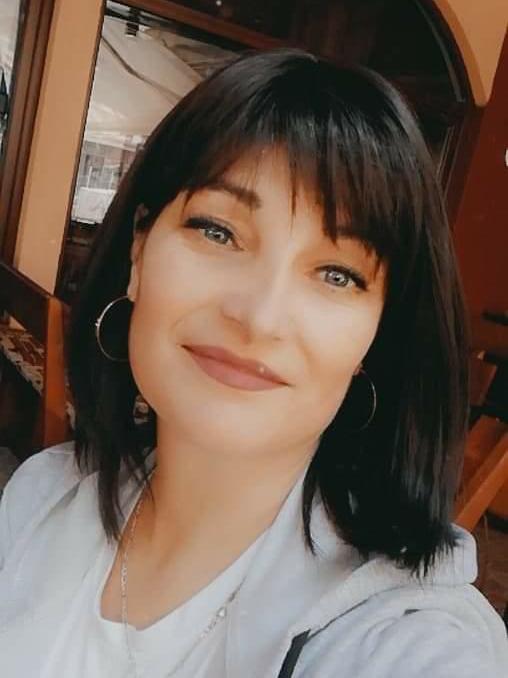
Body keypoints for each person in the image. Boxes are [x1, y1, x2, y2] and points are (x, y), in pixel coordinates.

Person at [0, 48, 506, 678]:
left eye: (337, 274)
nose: (260, 317)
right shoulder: (43, 498)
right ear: (139, 250)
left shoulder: (404, 642)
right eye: (218, 232)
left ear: (375, 341)